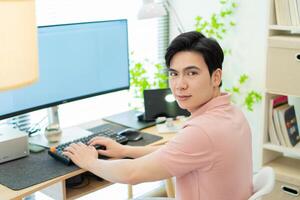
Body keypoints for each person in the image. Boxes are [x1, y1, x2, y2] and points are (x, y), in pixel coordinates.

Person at [63, 31, 253, 200]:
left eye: (192, 73)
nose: (180, 85)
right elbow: (175, 151)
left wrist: (90, 162)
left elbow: (132, 174)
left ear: (216, 77)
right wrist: (126, 151)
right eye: (174, 74)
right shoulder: (233, 113)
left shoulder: (202, 132)